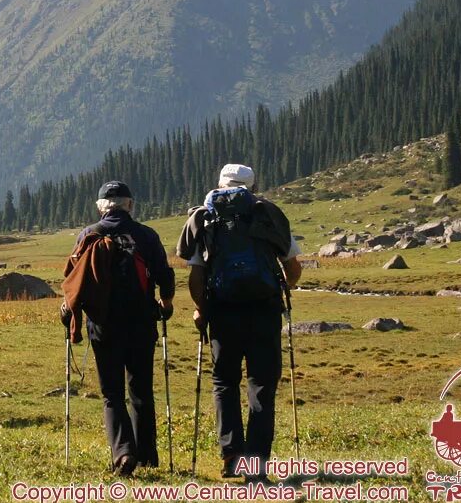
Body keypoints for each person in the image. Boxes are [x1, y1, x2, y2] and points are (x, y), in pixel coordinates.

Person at [177, 163, 301, 482]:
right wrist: (285, 284)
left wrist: (201, 309)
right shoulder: (267, 212)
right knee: (261, 385)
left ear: (219, 184)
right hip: (264, 310)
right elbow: (293, 267)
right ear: (252, 186)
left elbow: (196, 274)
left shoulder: (206, 216)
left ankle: (232, 455)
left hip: (223, 310)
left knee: (225, 382)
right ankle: (256, 467)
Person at [60, 180, 176, 476]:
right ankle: (148, 456)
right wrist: (166, 304)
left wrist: (69, 311)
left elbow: (75, 280)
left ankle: (124, 453)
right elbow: (165, 275)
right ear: (130, 205)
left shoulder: (89, 235)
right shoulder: (147, 236)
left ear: (100, 207)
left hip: (103, 324)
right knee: (141, 389)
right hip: (141, 321)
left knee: (112, 393)